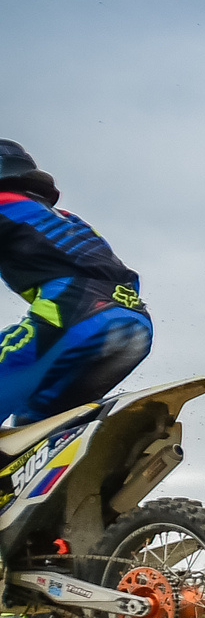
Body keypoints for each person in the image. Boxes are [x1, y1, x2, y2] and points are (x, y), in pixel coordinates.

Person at [0, 142, 153, 428]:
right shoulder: (68, 219)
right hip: (134, 321)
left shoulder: (3, 204)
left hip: (74, 314)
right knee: (34, 425)